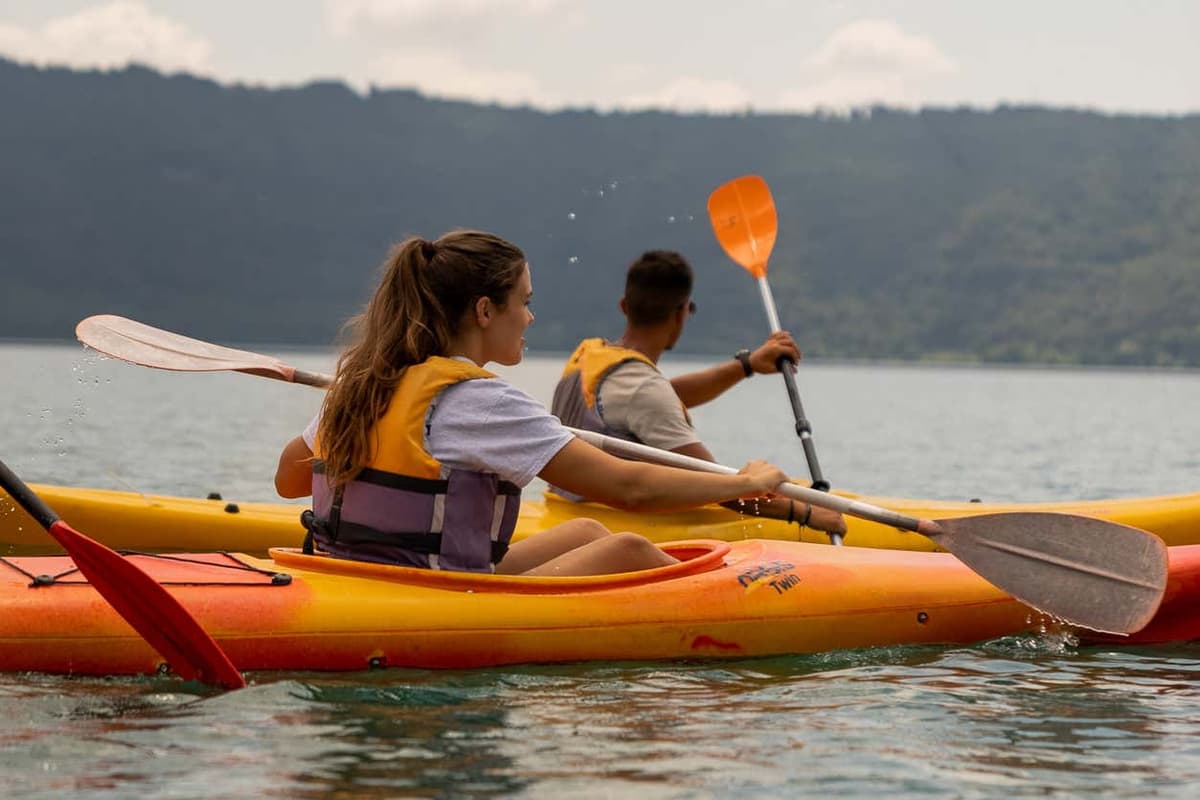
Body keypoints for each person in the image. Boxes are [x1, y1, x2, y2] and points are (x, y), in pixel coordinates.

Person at [274, 230, 790, 577]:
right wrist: (745, 483)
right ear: (483, 311)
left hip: (357, 573)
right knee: (628, 547)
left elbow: (289, 481)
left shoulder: (363, 382)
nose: (529, 318)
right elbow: (628, 487)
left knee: (588, 530)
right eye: (524, 301)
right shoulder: (480, 402)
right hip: (436, 593)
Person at [550, 249, 846, 537]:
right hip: (612, 527)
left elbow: (661, 398)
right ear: (681, 313)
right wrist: (806, 513)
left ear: (625, 306)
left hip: (563, 510)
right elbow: (721, 487)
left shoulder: (592, 356)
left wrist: (747, 365)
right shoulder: (644, 391)